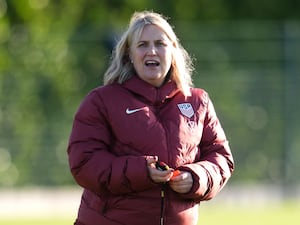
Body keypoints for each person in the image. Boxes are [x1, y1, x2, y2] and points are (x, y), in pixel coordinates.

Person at [67, 10, 234, 225]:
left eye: (160, 43)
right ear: (129, 54)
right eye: (142, 45)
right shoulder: (101, 100)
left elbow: (221, 158)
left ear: (173, 51)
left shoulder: (198, 101)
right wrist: (141, 172)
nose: (152, 51)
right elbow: (84, 164)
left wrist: (195, 177)